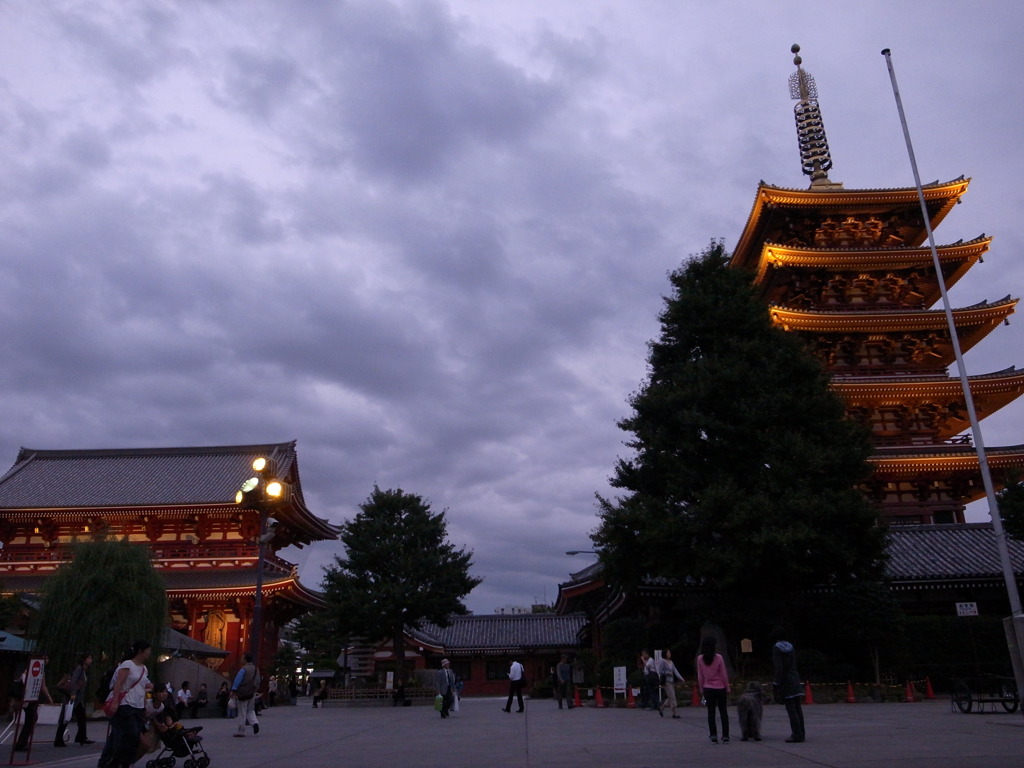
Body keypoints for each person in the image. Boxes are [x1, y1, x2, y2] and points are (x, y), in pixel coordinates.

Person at [97, 639, 153, 768]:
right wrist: (115, 702)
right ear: (140, 651)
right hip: (125, 704)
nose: (149, 653)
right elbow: (118, 684)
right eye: (148, 650)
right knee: (131, 735)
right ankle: (115, 762)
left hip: (138, 706)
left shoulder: (144, 669)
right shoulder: (127, 664)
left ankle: (113, 762)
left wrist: (144, 705)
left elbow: (142, 687)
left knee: (121, 737)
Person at [12, 662, 55, 751]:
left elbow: (42, 685)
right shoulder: (37, 669)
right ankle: (21, 743)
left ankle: (22, 742)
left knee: (31, 718)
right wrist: (49, 697)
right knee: (32, 718)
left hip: (29, 696)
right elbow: (42, 686)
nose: (47, 660)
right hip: (29, 696)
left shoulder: (34, 668)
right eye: (46, 658)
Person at [56, 652, 95, 747]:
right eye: (89, 658)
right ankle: (58, 740)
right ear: (84, 659)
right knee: (66, 717)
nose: (91, 660)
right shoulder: (79, 669)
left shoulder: (84, 670)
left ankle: (81, 737)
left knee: (81, 717)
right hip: (73, 698)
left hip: (78, 699)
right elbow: (73, 681)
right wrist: (73, 693)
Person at [772, 634, 805, 743]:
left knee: (791, 709)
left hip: (786, 682)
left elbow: (779, 667)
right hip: (795, 678)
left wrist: (776, 682)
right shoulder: (791, 647)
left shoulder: (777, 648)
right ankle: (801, 733)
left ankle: (796, 734)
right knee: (798, 708)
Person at [696, 637, 730, 744]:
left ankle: (713, 735)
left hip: (708, 688)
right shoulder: (719, 658)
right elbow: (724, 674)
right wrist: (727, 687)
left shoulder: (700, 659)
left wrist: (701, 689)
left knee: (711, 713)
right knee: (723, 712)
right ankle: (725, 735)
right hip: (720, 688)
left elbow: (700, 676)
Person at [230, 652, 261, 737]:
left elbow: (237, 680)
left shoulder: (244, 669)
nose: (241, 659)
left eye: (242, 658)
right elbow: (258, 681)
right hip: (252, 692)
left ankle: (241, 731)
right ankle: (254, 723)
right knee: (250, 710)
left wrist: (233, 690)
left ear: (245, 659)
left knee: (242, 712)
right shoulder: (256, 669)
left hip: (243, 693)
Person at [657, 649, 685, 719]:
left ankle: (662, 707)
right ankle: (674, 713)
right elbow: (659, 671)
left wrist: (681, 678)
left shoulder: (671, 662)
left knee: (671, 696)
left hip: (671, 681)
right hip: (666, 681)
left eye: (669, 652)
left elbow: (675, 671)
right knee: (672, 697)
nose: (669, 654)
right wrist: (667, 673)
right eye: (668, 652)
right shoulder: (662, 661)